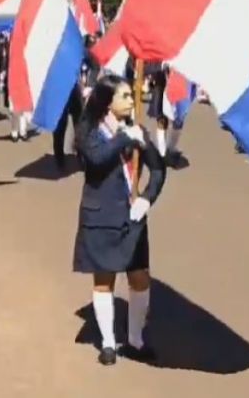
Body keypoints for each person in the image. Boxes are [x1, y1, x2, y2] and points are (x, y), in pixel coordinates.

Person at [72, 75, 166, 365]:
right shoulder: (89, 130)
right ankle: (109, 343)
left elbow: (159, 170)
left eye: (131, 94)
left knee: (140, 278)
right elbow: (98, 159)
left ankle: (136, 338)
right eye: (124, 95)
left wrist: (147, 198)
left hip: (131, 216)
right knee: (104, 280)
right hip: (100, 215)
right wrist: (126, 137)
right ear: (107, 102)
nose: (131, 99)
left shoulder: (137, 131)